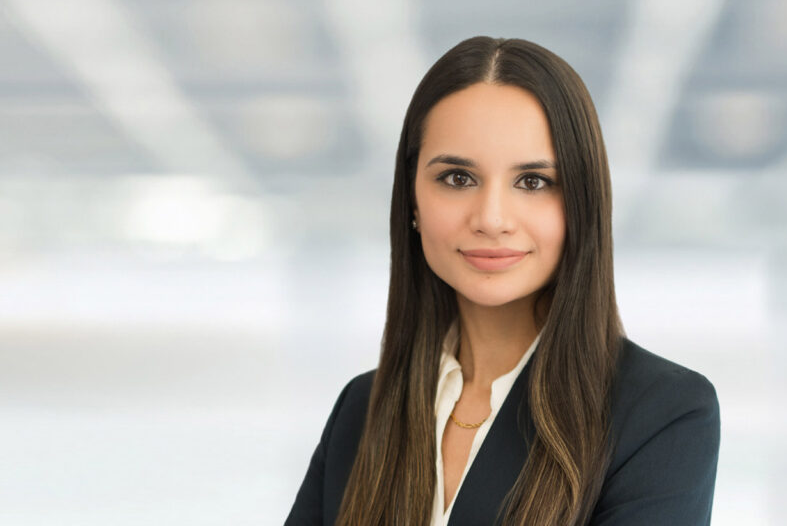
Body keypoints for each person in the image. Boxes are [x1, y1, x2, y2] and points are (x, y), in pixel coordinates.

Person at [285, 37, 719, 526]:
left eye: (532, 182)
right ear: (412, 201)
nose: (492, 219)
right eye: (456, 178)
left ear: (581, 202)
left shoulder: (660, 412)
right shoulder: (361, 412)